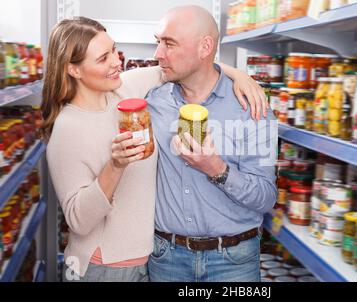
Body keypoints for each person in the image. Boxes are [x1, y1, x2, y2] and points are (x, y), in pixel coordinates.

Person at [43, 17, 268, 282]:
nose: (116, 61)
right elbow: (78, 221)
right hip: (102, 266)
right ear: (74, 70)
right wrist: (115, 166)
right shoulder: (67, 127)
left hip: (150, 260)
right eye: (103, 58)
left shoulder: (125, 90)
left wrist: (240, 76)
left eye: (114, 50)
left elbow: (190, 66)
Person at [147, 6, 278, 282]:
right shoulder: (153, 99)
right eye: (158, 42)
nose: (158, 54)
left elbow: (266, 197)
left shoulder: (251, 107)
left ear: (205, 46)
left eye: (169, 44)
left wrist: (217, 169)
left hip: (233, 262)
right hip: (166, 257)